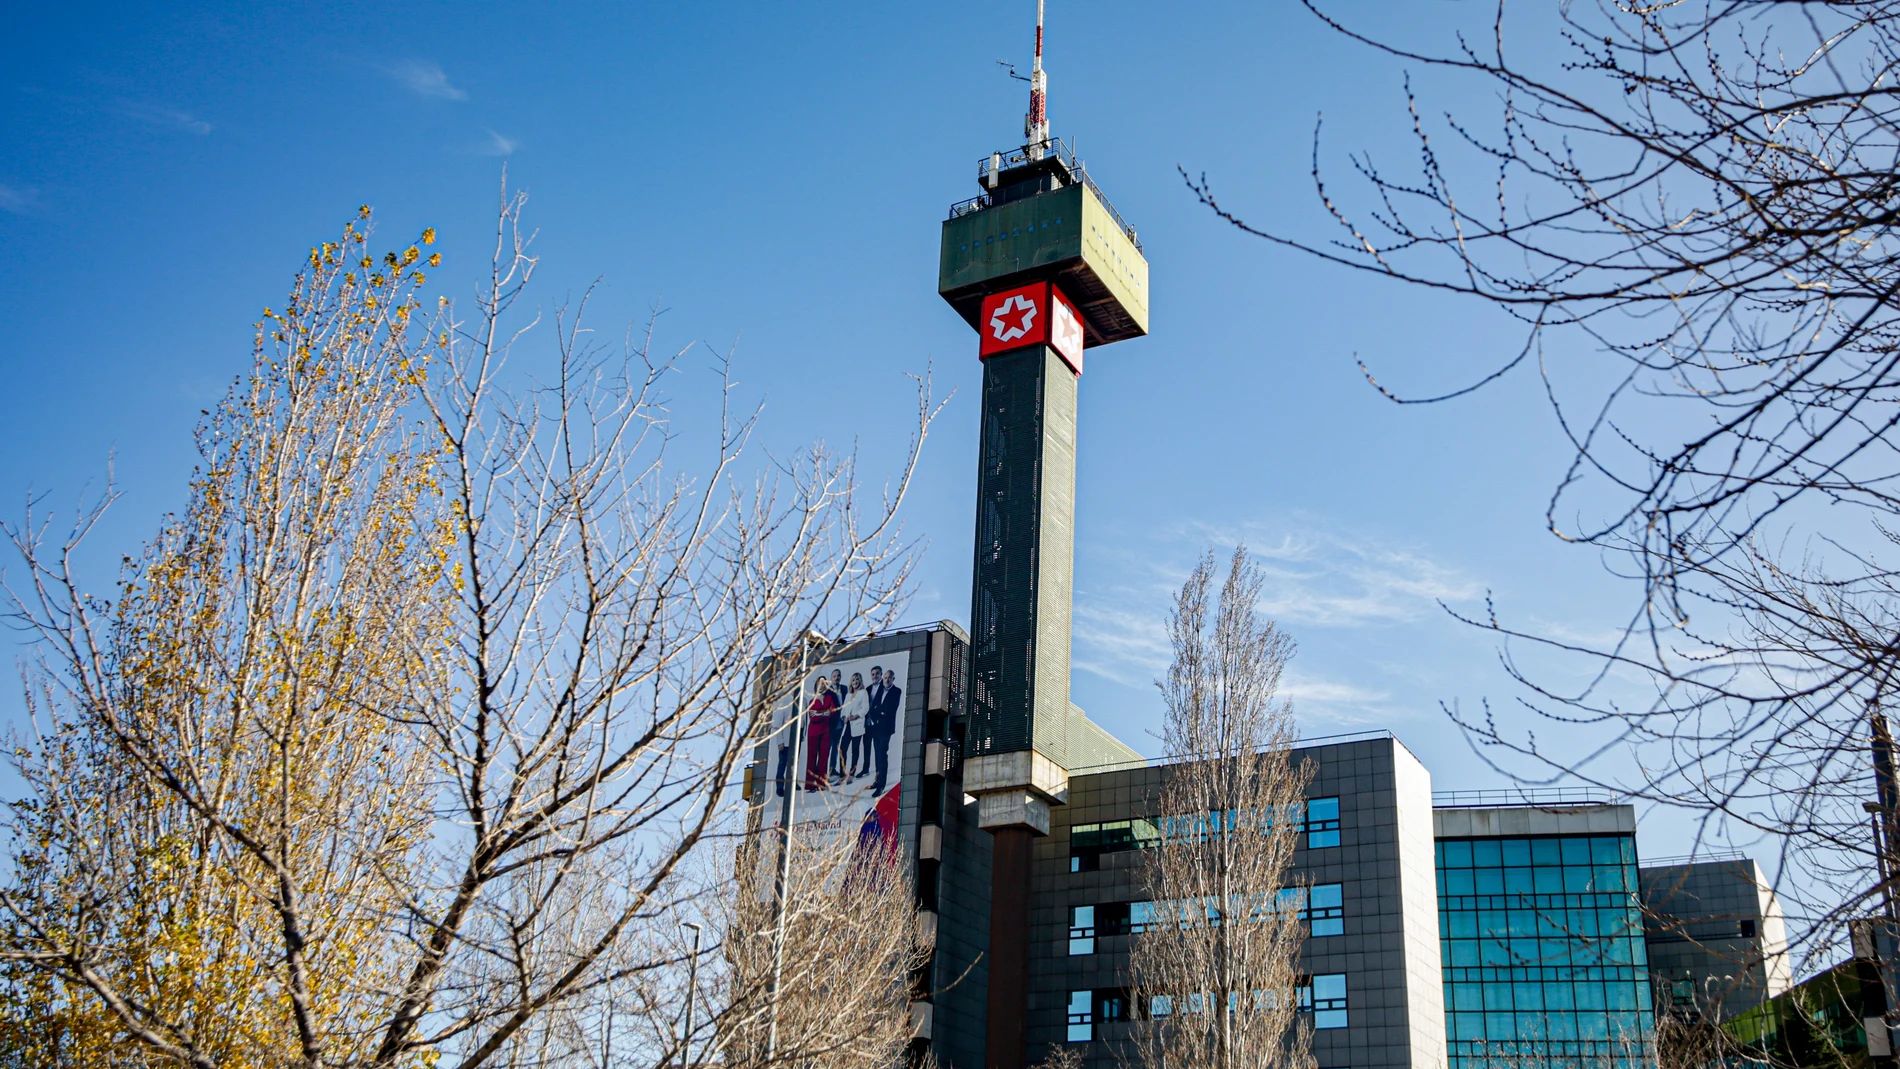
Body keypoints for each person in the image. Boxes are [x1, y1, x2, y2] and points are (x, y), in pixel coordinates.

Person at [865, 664, 901, 795]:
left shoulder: (897, 691)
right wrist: (878, 712)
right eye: (885, 678)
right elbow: (874, 707)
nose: (886, 680)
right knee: (877, 755)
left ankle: (882, 785)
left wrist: (879, 711)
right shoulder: (879, 689)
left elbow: (889, 710)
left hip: (886, 729)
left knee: (882, 755)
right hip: (876, 728)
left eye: (889, 678)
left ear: (893, 679)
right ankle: (877, 780)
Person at [804, 675, 837, 791]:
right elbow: (813, 717)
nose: (822, 685)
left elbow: (832, 711)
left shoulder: (829, 698)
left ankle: (821, 783)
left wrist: (820, 713)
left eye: (824, 683)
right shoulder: (812, 700)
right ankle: (810, 784)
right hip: (813, 732)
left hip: (826, 731)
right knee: (812, 757)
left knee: (824, 756)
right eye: (820, 683)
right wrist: (824, 713)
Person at [839, 671, 870, 780]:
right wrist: (844, 717)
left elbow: (865, 708)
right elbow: (844, 709)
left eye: (857, 679)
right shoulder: (848, 695)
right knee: (842, 749)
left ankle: (851, 774)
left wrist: (856, 716)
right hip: (847, 725)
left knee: (855, 750)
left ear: (860, 681)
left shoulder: (863, 693)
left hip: (857, 725)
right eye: (853, 680)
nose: (855, 682)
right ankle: (842, 774)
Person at [827, 668, 847, 778]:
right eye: (834, 676)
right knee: (828, 747)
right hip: (831, 723)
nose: (836, 678)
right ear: (831, 678)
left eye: (838, 676)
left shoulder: (844, 688)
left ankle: (832, 768)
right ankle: (824, 771)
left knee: (836, 746)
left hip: (841, 721)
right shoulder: (828, 690)